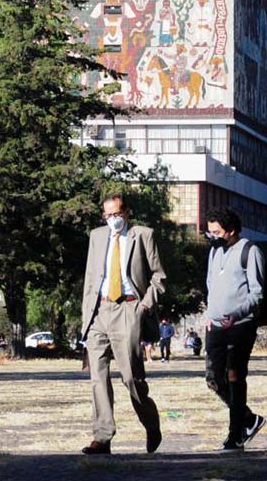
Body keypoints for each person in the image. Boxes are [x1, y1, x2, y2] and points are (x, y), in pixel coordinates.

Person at [79, 194, 165, 455]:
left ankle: (151, 423)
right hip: (99, 311)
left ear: (127, 212)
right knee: (98, 377)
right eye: (107, 215)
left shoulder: (143, 235)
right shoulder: (96, 236)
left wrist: (144, 306)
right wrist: (86, 317)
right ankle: (102, 437)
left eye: (116, 214)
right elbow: (90, 278)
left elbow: (159, 277)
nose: (112, 219)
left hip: (129, 308)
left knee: (131, 377)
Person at [202, 208, 267, 453]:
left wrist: (236, 314)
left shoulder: (250, 251)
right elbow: (210, 284)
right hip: (216, 325)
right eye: (210, 232)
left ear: (230, 230)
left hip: (241, 325)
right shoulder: (214, 251)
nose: (212, 237)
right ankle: (249, 419)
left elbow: (257, 292)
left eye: (216, 232)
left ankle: (235, 435)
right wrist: (209, 313)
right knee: (214, 380)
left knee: (234, 377)